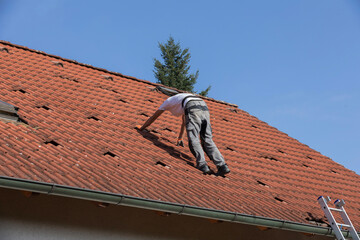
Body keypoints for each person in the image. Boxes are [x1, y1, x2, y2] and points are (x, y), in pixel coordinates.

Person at [136, 93, 230, 176]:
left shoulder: (167, 102)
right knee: (207, 139)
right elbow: (185, 122)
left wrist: (142, 128)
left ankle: (202, 165)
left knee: (193, 138)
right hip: (203, 105)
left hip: (192, 105)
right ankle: (222, 166)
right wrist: (180, 138)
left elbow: (153, 117)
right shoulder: (180, 100)